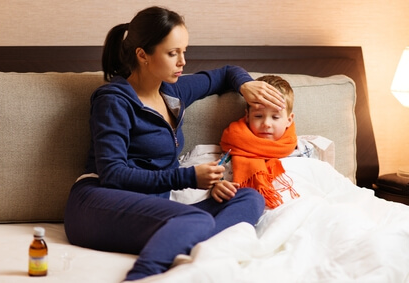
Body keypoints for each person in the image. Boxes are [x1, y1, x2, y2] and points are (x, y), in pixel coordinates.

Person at [63, 6, 286, 281]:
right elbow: (113, 175)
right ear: (143, 55)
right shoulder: (113, 100)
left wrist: (245, 85)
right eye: (172, 53)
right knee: (196, 220)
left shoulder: (174, 92)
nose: (182, 62)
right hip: (98, 203)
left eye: (184, 51)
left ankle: (176, 241)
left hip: (151, 210)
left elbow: (227, 72)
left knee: (250, 199)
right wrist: (189, 177)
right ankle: (142, 276)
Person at [216, 75, 300, 209]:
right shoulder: (233, 147)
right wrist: (217, 186)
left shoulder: (302, 148)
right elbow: (216, 177)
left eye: (275, 117)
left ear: (289, 120)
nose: (266, 123)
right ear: (247, 116)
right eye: (258, 116)